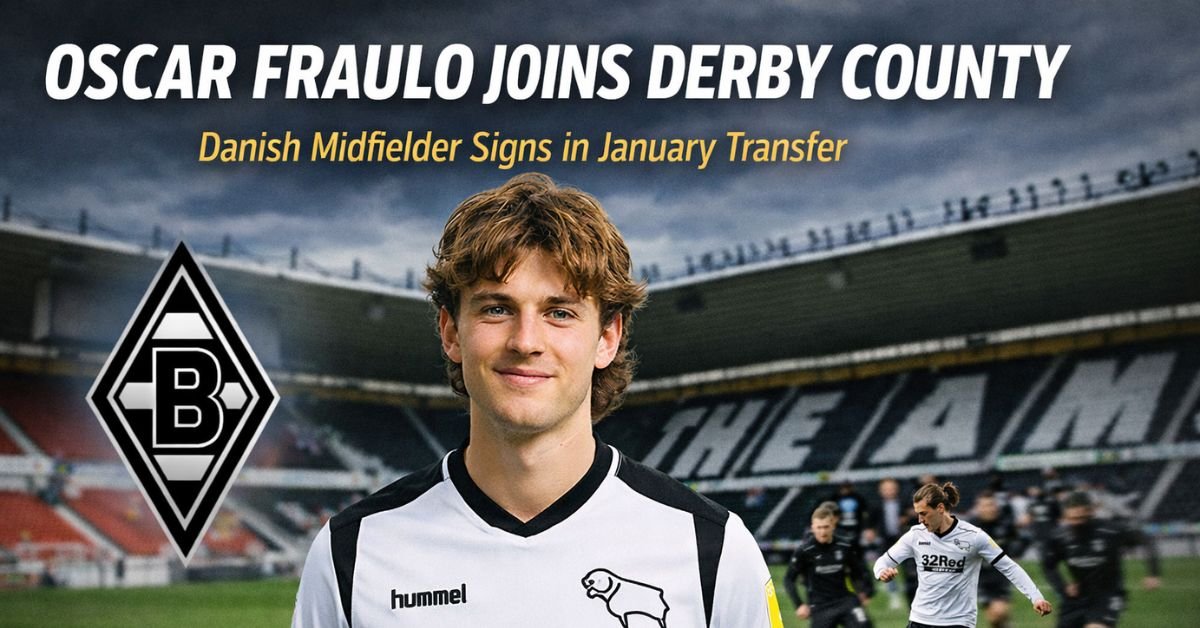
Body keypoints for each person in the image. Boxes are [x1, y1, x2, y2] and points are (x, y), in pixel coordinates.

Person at [292, 173, 783, 627]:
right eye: (496, 308)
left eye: (561, 313)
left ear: (607, 337)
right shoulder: (352, 552)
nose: (526, 340)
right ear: (450, 332)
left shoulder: (713, 550)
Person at [874, 482, 1052, 628]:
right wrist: (882, 572)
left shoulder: (974, 537)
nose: (920, 520)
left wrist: (1036, 597)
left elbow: (1009, 567)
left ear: (941, 508)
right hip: (920, 620)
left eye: (924, 514)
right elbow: (882, 562)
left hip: (958, 622)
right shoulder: (915, 535)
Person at [1040, 491, 1161, 628]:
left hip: (1108, 595)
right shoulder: (1059, 537)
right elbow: (1049, 565)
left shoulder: (1110, 531)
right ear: (1065, 516)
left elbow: (1145, 540)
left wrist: (1153, 573)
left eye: (1081, 518)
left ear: (1091, 512)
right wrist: (1063, 586)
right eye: (1071, 519)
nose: (1076, 523)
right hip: (1076, 598)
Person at [784, 505, 874, 627]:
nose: (822, 532)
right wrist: (799, 604)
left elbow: (859, 571)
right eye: (819, 527)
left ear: (833, 526)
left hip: (845, 600)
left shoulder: (844, 546)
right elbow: (789, 579)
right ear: (812, 528)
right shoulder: (804, 551)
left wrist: (864, 591)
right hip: (820, 606)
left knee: (864, 625)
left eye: (826, 527)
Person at [971, 491, 1028, 628]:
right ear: (978, 508)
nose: (989, 509)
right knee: (995, 619)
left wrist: (1015, 554)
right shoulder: (970, 527)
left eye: (991, 505)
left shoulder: (1005, 524)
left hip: (1000, 577)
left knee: (999, 613)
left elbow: (1024, 539)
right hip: (980, 578)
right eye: (984, 506)